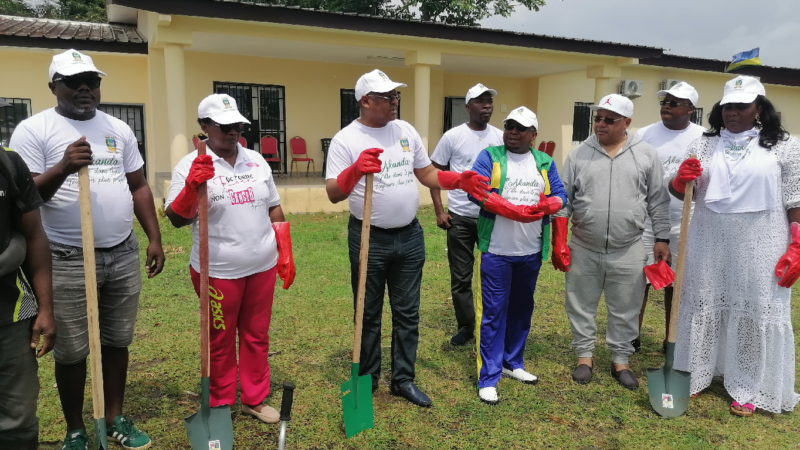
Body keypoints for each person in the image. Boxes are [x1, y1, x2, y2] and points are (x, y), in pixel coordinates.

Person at [10, 49, 164, 450]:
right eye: (74, 81)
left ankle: (114, 417)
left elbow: (139, 185)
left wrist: (154, 237)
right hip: (64, 255)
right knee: (73, 349)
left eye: (92, 81)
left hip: (121, 251)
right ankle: (76, 427)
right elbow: (24, 200)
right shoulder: (33, 130)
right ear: (53, 86)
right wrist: (62, 167)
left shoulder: (118, 128)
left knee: (117, 340)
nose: (85, 88)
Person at [326, 69, 490, 407]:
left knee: (407, 313)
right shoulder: (346, 140)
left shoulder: (405, 131)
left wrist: (458, 181)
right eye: (387, 96)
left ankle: (403, 379)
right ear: (366, 101)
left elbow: (427, 173)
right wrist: (357, 169)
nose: (394, 101)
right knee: (367, 311)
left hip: (409, 237)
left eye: (395, 95)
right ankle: (368, 379)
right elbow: (333, 194)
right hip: (369, 237)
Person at [671, 76, 800, 416]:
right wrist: (680, 178)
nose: (733, 112)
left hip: (763, 238)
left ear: (759, 108)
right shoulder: (704, 144)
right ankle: (696, 374)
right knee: (704, 300)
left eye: (741, 106)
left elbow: (795, 199)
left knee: (753, 306)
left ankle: (748, 385)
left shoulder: (785, 145)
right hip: (709, 236)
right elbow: (680, 191)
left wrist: (797, 244)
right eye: (728, 105)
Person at [165, 94, 296, 424]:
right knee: (220, 340)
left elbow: (273, 207)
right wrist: (192, 186)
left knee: (256, 335)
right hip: (218, 272)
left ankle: (254, 398)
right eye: (224, 126)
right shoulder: (189, 164)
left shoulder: (255, 160)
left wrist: (285, 250)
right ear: (204, 127)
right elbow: (177, 219)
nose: (232, 131)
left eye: (237, 125)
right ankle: (221, 402)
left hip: (261, 267)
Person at [552, 94, 671, 390]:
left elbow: (657, 200)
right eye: (597, 118)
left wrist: (661, 237)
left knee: (626, 306)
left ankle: (621, 359)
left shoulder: (645, 154)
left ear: (627, 123)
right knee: (580, 303)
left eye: (609, 119)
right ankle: (584, 356)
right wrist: (559, 240)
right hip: (583, 244)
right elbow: (563, 199)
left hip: (629, 246)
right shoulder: (579, 154)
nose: (600, 124)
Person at [467, 107, 566, 404]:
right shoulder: (490, 156)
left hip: (530, 251)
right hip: (497, 250)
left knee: (522, 309)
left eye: (521, 128)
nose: (513, 132)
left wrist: (545, 208)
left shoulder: (544, 162)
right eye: (509, 126)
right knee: (494, 314)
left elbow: (561, 195)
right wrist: (512, 210)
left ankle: (513, 362)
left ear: (533, 135)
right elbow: (477, 191)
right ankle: (489, 376)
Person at [429, 83, 504, 346]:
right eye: (481, 101)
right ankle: (466, 327)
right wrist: (439, 210)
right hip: (459, 217)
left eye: (489, 101)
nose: (487, 106)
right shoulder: (453, 136)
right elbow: (434, 174)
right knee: (461, 277)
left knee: (493, 275)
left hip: (492, 218)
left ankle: (491, 326)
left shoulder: (500, 137)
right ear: (468, 106)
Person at [633, 82, 705, 352]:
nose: (667, 106)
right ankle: (631, 336)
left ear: (690, 108)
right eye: (665, 101)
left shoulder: (704, 138)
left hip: (686, 221)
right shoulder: (644, 134)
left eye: (675, 103)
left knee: (677, 284)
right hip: (648, 220)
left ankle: (672, 339)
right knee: (638, 281)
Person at [0, 144, 55, 450]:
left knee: (19, 419)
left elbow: (34, 236)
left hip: (11, 313)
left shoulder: (8, 162)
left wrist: (46, 308)